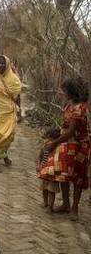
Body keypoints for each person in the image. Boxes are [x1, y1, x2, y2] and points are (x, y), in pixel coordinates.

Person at [39, 77, 90, 219]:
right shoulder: (69, 106)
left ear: (71, 92)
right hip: (67, 144)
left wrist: (54, 143)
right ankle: (66, 204)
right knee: (63, 174)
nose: (62, 93)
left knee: (78, 177)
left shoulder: (79, 108)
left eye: (64, 91)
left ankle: (74, 208)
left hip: (79, 146)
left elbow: (71, 132)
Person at [37, 127, 61, 211]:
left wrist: (39, 165)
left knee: (51, 190)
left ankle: (50, 206)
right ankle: (46, 203)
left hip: (53, 171)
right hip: (45, 170)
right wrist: (39, 165)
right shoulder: (45, 145)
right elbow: (40, 155)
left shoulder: (58, 147)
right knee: (45, 188)